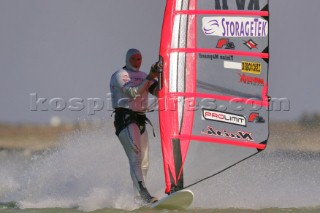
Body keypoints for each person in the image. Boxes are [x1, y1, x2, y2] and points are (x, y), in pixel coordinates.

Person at [110, 48, 160, 204]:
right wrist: (150, 77)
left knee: (145, 162)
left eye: (139, 59)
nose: (137, 62)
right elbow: (133, 93)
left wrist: (164, 76)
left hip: (141, 119)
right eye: (134, 59)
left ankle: (138, 198)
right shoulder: (120, 75)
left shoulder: (144, 76)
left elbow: (159, 92)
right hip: (125, 119)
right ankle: (144, 194)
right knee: (136, 158)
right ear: (127, 59)